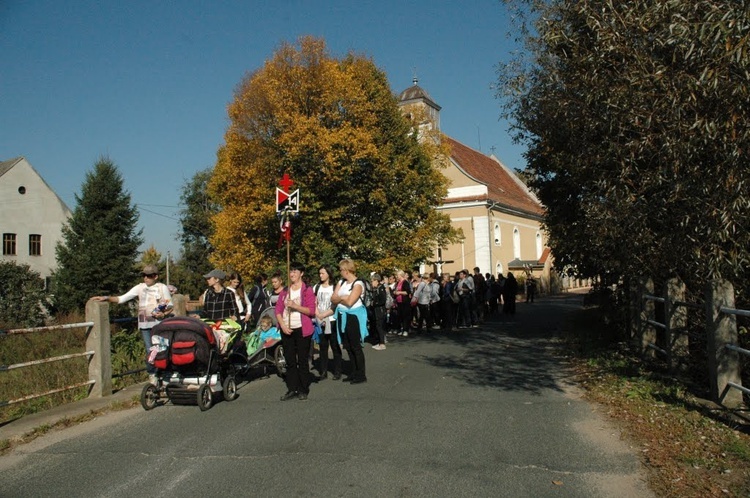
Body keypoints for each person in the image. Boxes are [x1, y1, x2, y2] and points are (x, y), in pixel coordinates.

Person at [91, 264, 172, 381]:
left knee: (160, 348)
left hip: (159, 324)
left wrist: (163, 314)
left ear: (156, 276)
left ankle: (164, 373)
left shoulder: (162, 287)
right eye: (144, 275)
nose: (146, 278)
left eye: (149, 276)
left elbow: (170, 306)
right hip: (145, 325)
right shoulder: (139, 288)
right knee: (150, 350)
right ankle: (153, 375)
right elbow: (122, 298)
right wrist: (106, 298)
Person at [275, 262, 316, 401]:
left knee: (302, 360)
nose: (292, 274)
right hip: (287, 329)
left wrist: (295, 306)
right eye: (291, 271)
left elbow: (311, 311)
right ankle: (292, 388)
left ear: (301, 273)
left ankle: (303, 388)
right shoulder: (285, 291)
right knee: (290, 360)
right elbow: (278, 310)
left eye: (295, 271)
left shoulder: (307, 290)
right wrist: (282, 325)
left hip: (302, 329)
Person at [331, 258, 368, 383]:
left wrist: (341, 298)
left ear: (347, 270)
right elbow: (333, 298)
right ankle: (353, 372)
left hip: (353, 316)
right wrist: (343, 297)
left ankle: (361, 374)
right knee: (347, 346)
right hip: (342, 314)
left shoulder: (358, 284)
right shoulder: (341, 282)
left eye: (341, 270)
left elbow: (350, 301)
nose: (340, 272)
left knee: (355, 346)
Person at [314, 265, 342, 380]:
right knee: (323, 347)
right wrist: (318, 315)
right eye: (319, 273)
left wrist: (324, 314)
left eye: (323, 273)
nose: (321, 275)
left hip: (332, 319)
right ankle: (323, 371)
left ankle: (337, 371)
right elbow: (314, 302)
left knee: (335, 346)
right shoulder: (316, 287)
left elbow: (335, 305)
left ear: (329, 274)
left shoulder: (334, 287)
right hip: (320, 321)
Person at [370, 273, 388, 350]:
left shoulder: (381, 288)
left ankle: (382, 343)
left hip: (380, 310)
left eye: (372, 281)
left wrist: (374, 303)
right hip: (377, 310)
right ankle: (379, 341)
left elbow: (383, 300)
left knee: (379, 326)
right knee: (378, 325)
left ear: (376, 280)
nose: (371, 283)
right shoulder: (376, 288)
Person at [393, 270, 412, 337]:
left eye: (397, 275)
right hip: (399, 301)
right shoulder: (398, 283)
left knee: (405, 316)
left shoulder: (405, 282)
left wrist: (399, 292)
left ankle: (406, 330)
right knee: (400, 316)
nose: (396, 277)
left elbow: (408, 292)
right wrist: (395, 292)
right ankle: (401, 329)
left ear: (400, 275)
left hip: (405, 301)